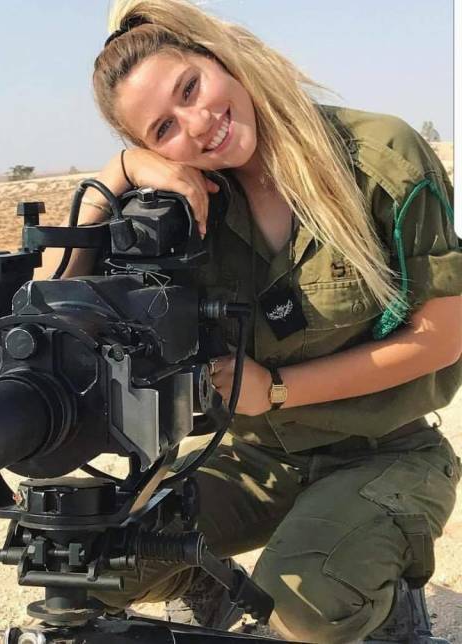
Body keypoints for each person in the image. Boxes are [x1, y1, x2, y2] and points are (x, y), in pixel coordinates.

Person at [42, 1, 461, 641]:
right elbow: (48, 302)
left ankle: (388, 599)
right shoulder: (181, 207)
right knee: (91, 564)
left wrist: (279, 390)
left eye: (190, 88)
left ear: (220, 58)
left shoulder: (379, 155)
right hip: (254, 456)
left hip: (383, 451)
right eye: (163, 128)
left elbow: (443, 337)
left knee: (302, 612)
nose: (198, 124)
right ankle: (208, 585)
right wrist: (116, 175)